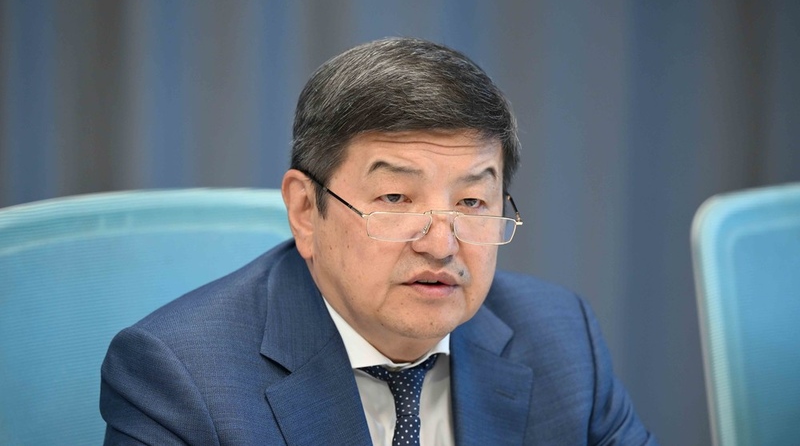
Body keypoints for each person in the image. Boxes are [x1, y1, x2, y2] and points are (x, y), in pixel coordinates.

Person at [100, 37, 658, 445]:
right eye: (396, 198)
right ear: (305, 210)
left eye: (471, 203)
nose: (441, 245)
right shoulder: (180, 379)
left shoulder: (562, 342)